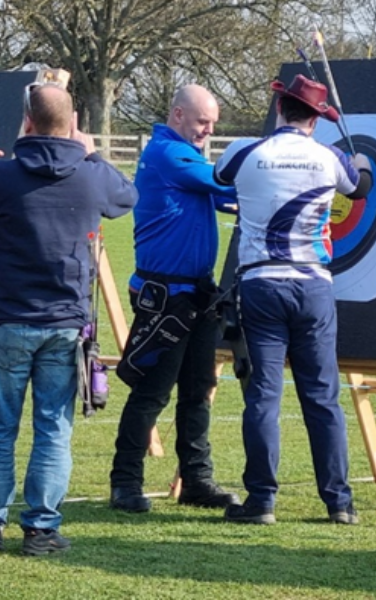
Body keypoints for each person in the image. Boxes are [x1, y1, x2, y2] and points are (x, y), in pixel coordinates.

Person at [0, 83, 136, 555]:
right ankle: (41, 528)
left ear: (27, 124)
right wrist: (91, 157)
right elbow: (126, 196)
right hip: (64, 322)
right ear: (72, 124)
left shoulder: (4, 175)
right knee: (54, 427)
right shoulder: (88, 175)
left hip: (11, 318)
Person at [214, 75, 372, 525]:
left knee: (263, 395)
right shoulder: (329, 156)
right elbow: (358, 187)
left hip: (261, 284)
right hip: (314, 286)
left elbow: (219, 176)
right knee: (322, 397)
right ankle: (339, 503)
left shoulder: (244, 151)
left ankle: (262, 501)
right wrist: (360, 164)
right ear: (317, 120)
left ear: (280, 108)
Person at [109, 84, 239, 513]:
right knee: (153, 392)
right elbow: (223, 184)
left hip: (196, 294)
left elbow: (222, 196)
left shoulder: (186, 154)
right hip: (166, 297)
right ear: (178, 114)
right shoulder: (169, 153)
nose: (208, 130)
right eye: (203, 121)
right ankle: (125, 482)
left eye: (213, 123)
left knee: (199, 390)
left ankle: (197, 480)